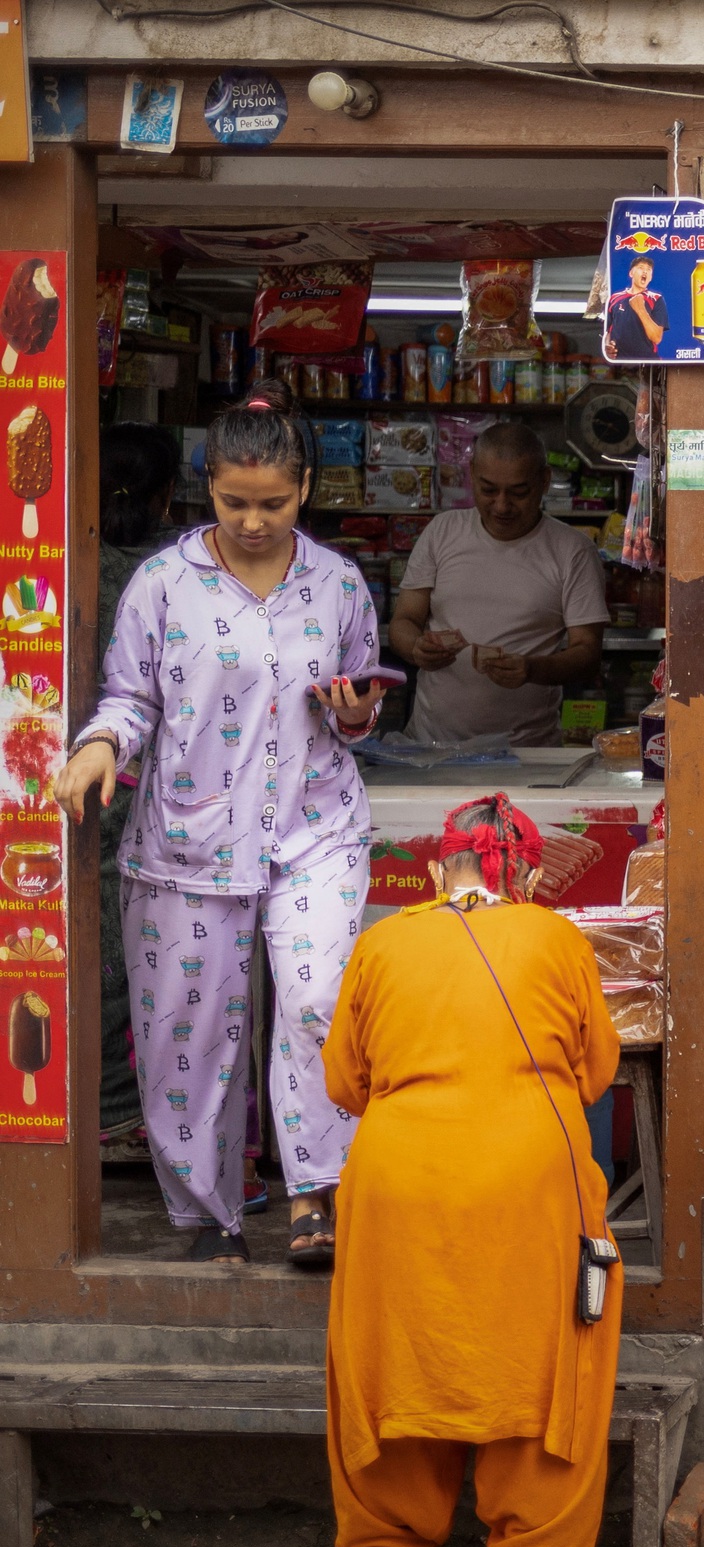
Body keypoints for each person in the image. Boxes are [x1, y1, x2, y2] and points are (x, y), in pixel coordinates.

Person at [56, 381, 389, 1265]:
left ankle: (315, 1196)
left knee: (318, 1005)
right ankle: (209, 1214)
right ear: (209, 487)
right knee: (185, 1029)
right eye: (234, 501)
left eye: (272, 503)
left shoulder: (340, 583)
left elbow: (359, 707)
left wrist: (354, 710)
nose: (251, 520)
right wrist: (99, 748)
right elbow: (129, 697)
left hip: (315, 827)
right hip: (186, 839)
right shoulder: (164, 585)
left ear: (305, 489)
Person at [322, 794, 620, 1547]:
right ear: (527, 876)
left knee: (388, 1361)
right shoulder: (555, 937)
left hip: (395, 1181)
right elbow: (596, 1069)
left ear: (431, 872)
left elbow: (345, 1082)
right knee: (546, 1364)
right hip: (528, 1180)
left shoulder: (382, 943)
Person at [385, 421, 607, 747]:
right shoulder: (442, 531)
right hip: (431, 748)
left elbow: (588, 653)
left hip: (527, 755)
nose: (501, 505)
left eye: (519, 492)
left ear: (544, 481)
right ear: (472, 473)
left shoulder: (573, 550)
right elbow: (403, 621)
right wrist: (417, 648)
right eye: (488, 490)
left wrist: (532, 669)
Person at [91, 424, 182, 1152]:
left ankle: (100, 1103)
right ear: (169, 498)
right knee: (142, 954)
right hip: (149, 792)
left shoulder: (65, 568)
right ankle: (125, 1108)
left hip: (65, 773)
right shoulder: (174, 574)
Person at [603, 257, 665, 361]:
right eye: (641, 267)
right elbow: (607, 331)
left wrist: (640, 309)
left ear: (651, 277)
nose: (645, 271)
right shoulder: (614, 298)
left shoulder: (656, 299)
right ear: (631, 273)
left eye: (649, 269)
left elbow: (657, 337)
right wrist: (607, 346)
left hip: (648, 363)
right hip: (619, 363)